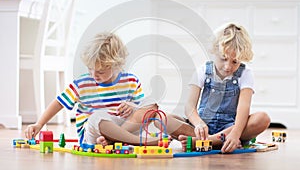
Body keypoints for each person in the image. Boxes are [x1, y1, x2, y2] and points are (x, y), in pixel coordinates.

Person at [24, 32, 161, 146]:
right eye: (90, 69)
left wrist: (132, 106)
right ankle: (141, 142)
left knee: (151, 103)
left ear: (117, 65)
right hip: (96, 133)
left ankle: (113, 139)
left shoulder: (131, 81)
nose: (94, 75)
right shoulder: (82, 83)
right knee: (96, 118)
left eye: (100, 71)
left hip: (124, 128)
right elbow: (59, 102)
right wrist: (39, 124)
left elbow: (139, 111)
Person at [176, 23, 271, 153]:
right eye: (223, 59)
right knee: (164, 119)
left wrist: (236, 133)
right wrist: (198, 124)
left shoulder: (245, 73)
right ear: (214, 52)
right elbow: (189, 107)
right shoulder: (203, 70)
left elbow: (243, 108)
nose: (228, 67)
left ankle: (210, 142)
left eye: (235, 62)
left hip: (230, 128)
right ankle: (217, 140)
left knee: (262, 118)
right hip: (203, 127)